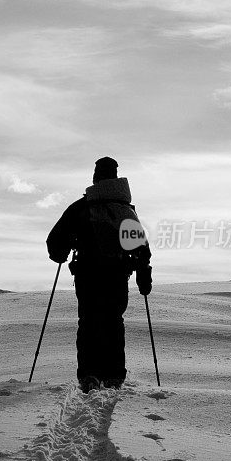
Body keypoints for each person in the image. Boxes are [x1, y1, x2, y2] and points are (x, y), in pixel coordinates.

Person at [46, 157, 152, 393]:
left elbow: (54, 242)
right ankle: (114, 375)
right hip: (117, 276)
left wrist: (61, 254)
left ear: (95, 177)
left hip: (88, 276)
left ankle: (89, 375)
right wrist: (144, 279)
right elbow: (141, 251)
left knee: (88, 322)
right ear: (116, 178)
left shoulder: (81, 208)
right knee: (114, 321)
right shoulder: (125, 211)